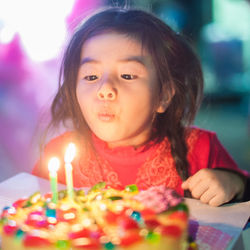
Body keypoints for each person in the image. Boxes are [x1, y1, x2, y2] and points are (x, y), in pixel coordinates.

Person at [32, 7, 249, 206]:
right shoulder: (59, 156)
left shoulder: (201, 148)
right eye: (91, 76)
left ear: (163, 96)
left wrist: (235, 184)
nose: (104, 88)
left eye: (127, 75)